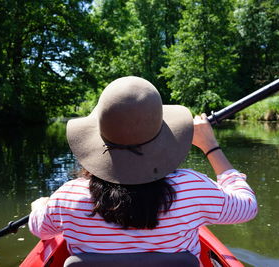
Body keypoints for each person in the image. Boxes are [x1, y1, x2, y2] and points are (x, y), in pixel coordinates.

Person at [29, 76, 257, 262]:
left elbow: (41, 230)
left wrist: (40, 206)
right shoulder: (192, 189)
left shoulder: (68, 197)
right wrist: (210, 146)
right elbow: (247, 207)